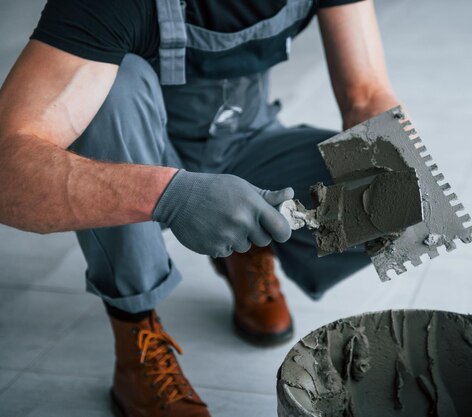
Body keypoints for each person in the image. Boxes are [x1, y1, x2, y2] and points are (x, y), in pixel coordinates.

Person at [0, 0, 401, 415]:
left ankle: (247, 244)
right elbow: (5, 169)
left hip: (247, 141)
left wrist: (394, 174)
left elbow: (367, 93)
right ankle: (135, 335)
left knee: (396, 182)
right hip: (141, 153)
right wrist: (170, 196)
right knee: (112, 88)